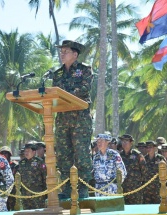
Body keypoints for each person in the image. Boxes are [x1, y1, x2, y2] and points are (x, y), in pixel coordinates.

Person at [52, 40, 93, 199]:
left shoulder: (85, 70)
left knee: (81, 153)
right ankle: (68, 187)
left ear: (75, 55)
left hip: (80, 119)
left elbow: (84, 89)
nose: (62, 54)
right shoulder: (57, 74)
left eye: (65, 51)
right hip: (62, 119)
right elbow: (54, 94)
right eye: (61, 51)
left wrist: (64, 94)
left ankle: (82, 187)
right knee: (63, 155)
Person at [119, 134, 147, 204]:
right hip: (123, 189)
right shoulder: (119, 156)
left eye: (126, 141)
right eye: (122, 141)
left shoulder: (137, 155)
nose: (124, 143)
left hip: (135, 189)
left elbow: (144, 170)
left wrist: (140, 184)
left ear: (131, 143)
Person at [18, 142, 47, 209]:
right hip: (25, 192)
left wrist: (45, 192)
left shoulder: (39, 162)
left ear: (34, 152)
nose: (26, 153)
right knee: (26, 211)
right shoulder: (21, 163)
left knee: (38, 211)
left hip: (37, 192)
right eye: (25, 151)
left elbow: (44, 176)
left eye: (28, 151)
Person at [0, 146, 19, 211]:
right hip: (3, 190)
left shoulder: (15, 165)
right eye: (2, 153)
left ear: (9, 155)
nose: (4, 155)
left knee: (14, 209)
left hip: (13, 191)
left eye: (6, 153)